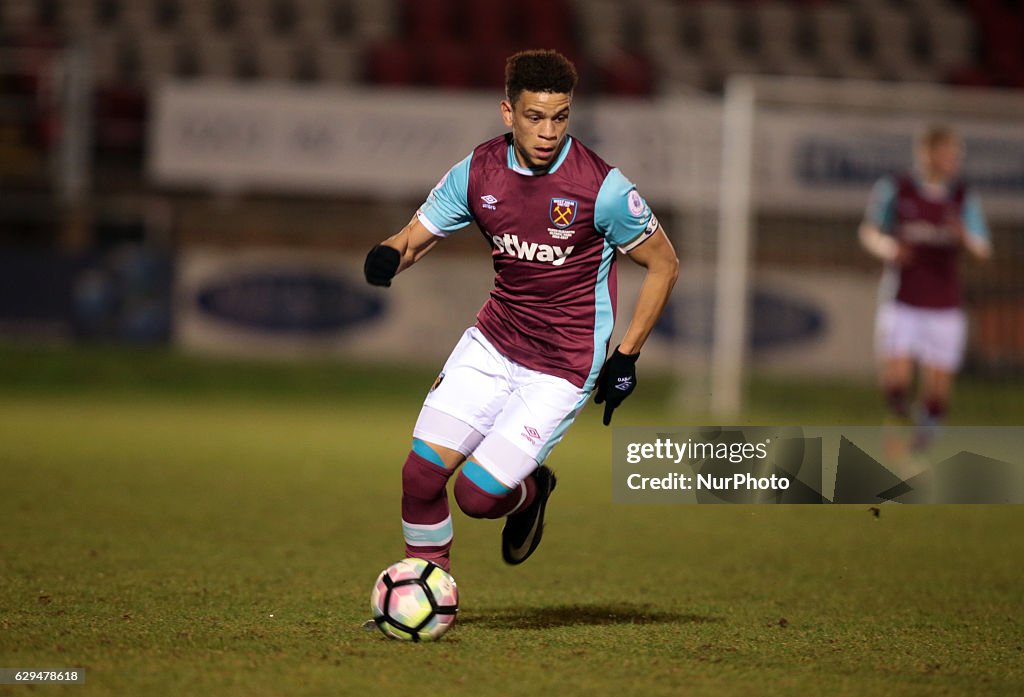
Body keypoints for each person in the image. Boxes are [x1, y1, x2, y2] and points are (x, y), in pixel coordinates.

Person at [363, 49, 678, 571]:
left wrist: (626, 356)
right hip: (493, 343)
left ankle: (532, 491)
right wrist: (389, 256)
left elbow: (664, 264)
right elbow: (413, 239)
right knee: (419, 477)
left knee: (476, 497)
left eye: (560, 117)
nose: (549, 131)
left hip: (561, 367)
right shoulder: (478, 172)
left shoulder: (602, 189)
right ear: (508, 113)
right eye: (535, 117)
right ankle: (428, 591)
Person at [859, 124, 991, 449]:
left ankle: (922, 441)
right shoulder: (897, 188)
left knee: (937, 384)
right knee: (897, 378)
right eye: (945, 153)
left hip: (944, 304)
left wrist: (964, 238)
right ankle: (898, 425)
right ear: (926, 154)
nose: (952, 160)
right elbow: (870, 231)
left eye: (955, 155)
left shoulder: (962, 198)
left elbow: (983, 249)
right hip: (903, 297)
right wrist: (889, 248)